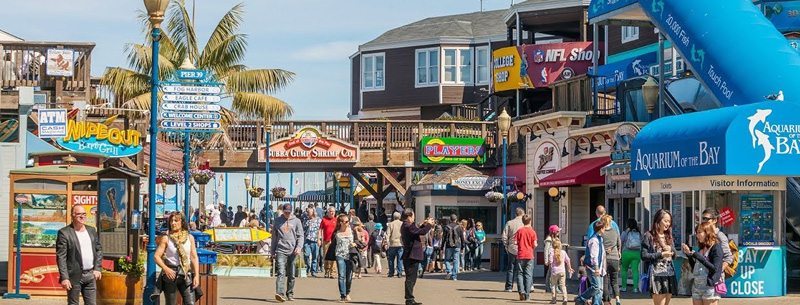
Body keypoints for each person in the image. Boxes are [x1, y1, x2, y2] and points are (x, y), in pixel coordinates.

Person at [56, 205, 103, 305]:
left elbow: (98, 250)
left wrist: (97, 268)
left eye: (84, 214)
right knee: (73, 303)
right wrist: (64, 277)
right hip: (74, 275)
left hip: (90, 275)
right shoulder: (64, 233)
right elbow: (61, 257)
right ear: (72, 215)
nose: (82, 217)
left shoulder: (91, 230)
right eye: (79, 214)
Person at [154, 211, 200, 305]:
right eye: (171, 221)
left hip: (186, 273)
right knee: (171, 303)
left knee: (190, 302)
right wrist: (166, 269)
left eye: (176, 220)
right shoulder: (166, 238)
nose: (173, 223)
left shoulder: (189, 238)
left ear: (182, 222)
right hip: (171, 274)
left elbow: (194, 257)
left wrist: (197, 275)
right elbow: (156, 256)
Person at [324, 214, 364, 303]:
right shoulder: (336, 233)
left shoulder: (352, 231)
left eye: (348, 221)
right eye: (345, 222)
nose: (347, 223)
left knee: (349, 276)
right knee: (341, 275)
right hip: (340, 255)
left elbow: (356, 241)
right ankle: (342, 295)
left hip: (350, 255)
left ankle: (347, 293)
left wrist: (355, 244)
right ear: (341, 222)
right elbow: (333, 243)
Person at [683, 222, 724, 305]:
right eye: (696, 232)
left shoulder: (716, 247)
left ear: (707, 232)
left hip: (709, 287)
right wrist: (689, 256)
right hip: (697, 286)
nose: (697, 235)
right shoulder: (702, 248)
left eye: (699, 232)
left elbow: (714, 268)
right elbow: (695, 267)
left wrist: (698, 256)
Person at [270, 203, 304, 302]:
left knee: (291, 273)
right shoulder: (277, 221)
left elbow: (300, 236)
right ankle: (280, 294)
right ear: (283, 211)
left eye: (288, 213)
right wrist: (272, 251)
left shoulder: (297, 221)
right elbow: (274, 238)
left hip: (293, 251)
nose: (287, 214)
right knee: (281, 272)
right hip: (281, 250)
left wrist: (299, 247)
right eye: (285, 212)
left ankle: (290, 293)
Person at [641, 209, 677, 305]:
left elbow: (675, 254)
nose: (668, 224)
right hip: (657, 275)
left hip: (669, 274)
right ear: (658, 220)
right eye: (665, 221)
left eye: (669, 221)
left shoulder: (667, 235)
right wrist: (661, 255)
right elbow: (644, 256)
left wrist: (672, 250)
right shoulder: (649, 236)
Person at [400, 208, 434, 305]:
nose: (414, 218)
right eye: (413, 216)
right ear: (409, 216)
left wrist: (424, 224)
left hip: (411, 255)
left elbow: (418, 230)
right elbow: (422, 232)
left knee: (412, 278)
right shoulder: (407, 226)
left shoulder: (408, 226)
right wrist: (429, 225)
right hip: (411, 255)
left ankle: (410, 298)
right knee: (411, 278)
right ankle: (409, 299)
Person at [575, 220, 607, 305]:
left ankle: (596, 303)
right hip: (593, 267)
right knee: (596, 287)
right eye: (604, 228)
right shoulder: (594, 240)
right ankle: (580, 299)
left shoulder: (600, 239)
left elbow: (601, 253)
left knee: (600, 289)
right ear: (600, 229)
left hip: (600, 267)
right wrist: (596, 267)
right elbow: (594, 254)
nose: (605, 230)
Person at [514, 215, 538, 301]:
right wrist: (531, 247)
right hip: (529, 255)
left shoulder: (519, 231)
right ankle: (527, 295)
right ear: (530, 221)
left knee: (520, 273)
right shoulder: (532, 232)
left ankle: (521, 292)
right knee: (528, 274)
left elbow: (515, 242)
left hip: (520, 254)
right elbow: (535, 244)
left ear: (522, 221)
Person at [502, 208, 525, 292]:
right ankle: (523, 287)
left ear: (515, 214)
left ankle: (509, 287)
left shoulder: (509, 223)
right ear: (523, 214)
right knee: (522, 269)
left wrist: (507, 246)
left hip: (512, 248)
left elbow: (504, 236)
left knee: (510, 268)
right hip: (523, 249)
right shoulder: (525, 224)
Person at [601, 215, 622, 305]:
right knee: (614, 281)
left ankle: (606, 300)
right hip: (615, 258)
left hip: (604, 259)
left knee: (605, 281)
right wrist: (619, 252)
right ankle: (617, 298)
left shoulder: (601, 232)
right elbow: (619, 243)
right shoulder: (615, 231)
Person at [620, 219, 642, 293]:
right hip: (636, 253)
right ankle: (635, 288)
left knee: (624, 269)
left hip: (626, 253)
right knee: (635, 270)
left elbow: (621, 242)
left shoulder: (625, 232)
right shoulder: (639, 233)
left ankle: (624, 287)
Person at [549, 239, 573, 305]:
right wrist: (570, 268)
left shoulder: (552, 252)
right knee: (563, 286)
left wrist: (547, 263)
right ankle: (565, 298)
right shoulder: (563, 252)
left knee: (553, 285)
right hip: (562, 271)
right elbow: (568, 260)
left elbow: (550, 261)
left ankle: (554, 299)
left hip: (554, 272)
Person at [443, 214, 464, 281]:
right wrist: (462, 248)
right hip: (457, 246)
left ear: (450, 219)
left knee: (447, 260)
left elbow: (443, 238)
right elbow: (462, 238)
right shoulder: (459, 228)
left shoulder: (446, 227)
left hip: (448, 246)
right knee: (456, 261)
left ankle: (449, 271)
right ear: (456, 219)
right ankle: (454, 276)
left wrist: (441, 247)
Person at [303, 208, 322, 277]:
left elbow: (320, 230)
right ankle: (307, 267)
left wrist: (319, 239)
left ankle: (313, 271)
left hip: (315, 240)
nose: (308, 213)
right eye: (307, 212)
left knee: (315, 256)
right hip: (307, 239)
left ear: (313, 212)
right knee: (306, 254)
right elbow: (303, 229)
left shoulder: (318, 220)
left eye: (309, 212)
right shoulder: (306, 220)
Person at [320, 207, 338, 278]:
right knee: (326, 256)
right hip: (326, 240)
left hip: (334, 241)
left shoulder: (336, 220)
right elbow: (320, 229)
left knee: (334, 256)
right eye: (331, 212)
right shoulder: (324, 220)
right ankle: (327, 271)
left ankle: (333, 272)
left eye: (333, 212)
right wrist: (319, 239)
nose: (332, 213)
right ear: (328, 212)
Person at [385, 211, 405, 277]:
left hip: (392, 244)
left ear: (393, 217)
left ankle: (391, 272)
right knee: (400, 259)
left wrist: (386, 243)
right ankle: (399, 272)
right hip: (400, 243)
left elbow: (388, 234)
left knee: (391, 259)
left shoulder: (391, 224)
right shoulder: (402, 224)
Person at [544, 225, 562, 293]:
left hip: (556, 257)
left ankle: (552, 286)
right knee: (551, 273)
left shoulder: (556, 238)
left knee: (553, 272)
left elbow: (557, 245)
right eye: (557, 231)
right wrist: (546, 260)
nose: (558, 232)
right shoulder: (549, 239)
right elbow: (546, 250)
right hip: (551, 257)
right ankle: (550, 286)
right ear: (554, 232)